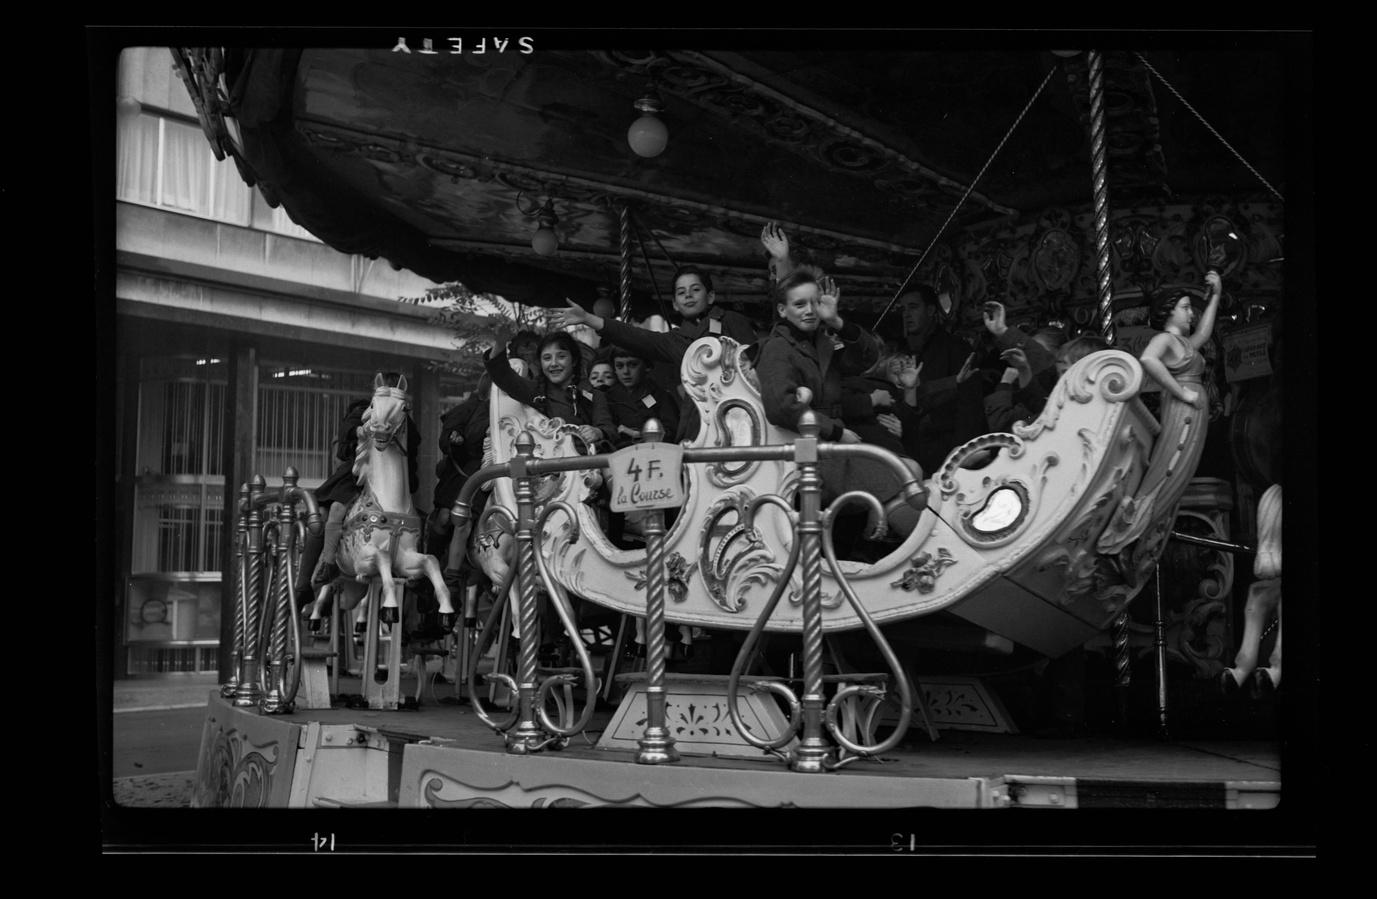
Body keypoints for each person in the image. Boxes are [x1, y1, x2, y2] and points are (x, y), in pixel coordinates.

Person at [755, 268, 922, 537]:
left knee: (907, 472)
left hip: (832, 446)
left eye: (814, 303)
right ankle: (914, 555)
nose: (809, 310)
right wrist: (836, 431)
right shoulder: (777, 348)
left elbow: (868, 358)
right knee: (902, 475)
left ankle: (895, 543)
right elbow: (782, 407)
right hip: (807, 451)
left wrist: (835, 320)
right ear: (783, 310)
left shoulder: (822, 343)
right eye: (799, 304)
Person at [551, 267, 757, 442]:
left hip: (740, 416)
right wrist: (589, 319)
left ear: (710, 296)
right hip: (699, 425)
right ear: (675, 303)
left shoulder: (731, 321)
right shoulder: (677, 339)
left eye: (695, 289)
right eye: (681, 292)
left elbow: (756, 367)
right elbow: (639, 337)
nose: (688, 295)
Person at [1101, 270, 1223, 554]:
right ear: (1168, 312)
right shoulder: (1164, 340)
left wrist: (1216, 295)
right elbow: (1148, 360)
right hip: (1184, 409)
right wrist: (1182, 392)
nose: (1190, 313)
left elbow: (1204, 331)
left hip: (1192, 409)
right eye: (1184, 307)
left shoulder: (1184, 343)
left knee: (1181, 466)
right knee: (1171, 464)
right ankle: (1135, 522)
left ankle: (1143, 523)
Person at [309, 373, 420, 589]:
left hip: (392, 475)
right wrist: (358, 430)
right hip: (359, 472)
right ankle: (329, 561)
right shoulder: (363, 411)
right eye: (385, 388)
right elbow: (346, 433)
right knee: (337, 509)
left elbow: (412, 445)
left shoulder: (402, 417)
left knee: (415, 513)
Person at [484, 330, 607, 450]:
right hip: (549, 464)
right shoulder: (537, 391)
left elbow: (608, 428)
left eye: (561, 357)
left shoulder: (594, 394)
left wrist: (598, 432)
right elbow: (504, 377)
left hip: (589, 462)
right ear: (541, 363)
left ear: (573, 360)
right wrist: (500, 343)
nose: (553, 363)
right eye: (547, 358)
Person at [592, 346, 681, 450]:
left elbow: (672, 431)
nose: (626, 372)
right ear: (614, 369)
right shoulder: (606, 398)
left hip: (654, 452)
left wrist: (638, 434)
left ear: (647, 366)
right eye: (619, 366)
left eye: (632, 365)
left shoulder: (661, 396)